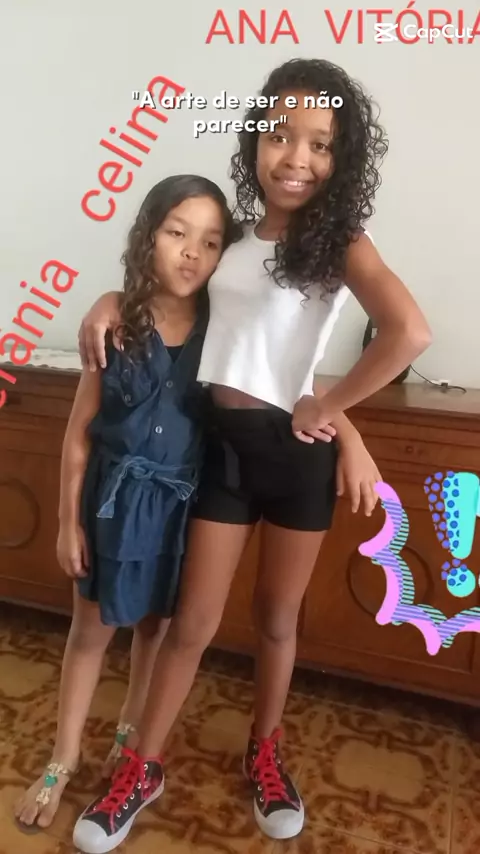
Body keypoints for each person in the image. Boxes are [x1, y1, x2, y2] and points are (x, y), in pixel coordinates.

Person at [72, 58, 432, 852]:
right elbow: (169, 286)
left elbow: (408, 332)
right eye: (280, 136)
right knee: (193, 622)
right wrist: (107, 299)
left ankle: (265, 752)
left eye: (320, 143)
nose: (296, 158)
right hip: (222, 451)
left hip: (295, 457)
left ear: (342, 156)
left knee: (275, 621)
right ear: (254, 141)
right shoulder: (232, 241)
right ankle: (143, 766)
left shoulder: (339, 243)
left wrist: (335, 415)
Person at [13, 174, 236, 834]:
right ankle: (62, 758)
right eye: (177, 233)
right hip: (111, 506)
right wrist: (66, 522)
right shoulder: (114, 324)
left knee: (154, 630)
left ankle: (129, 735)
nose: (192, 252)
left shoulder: (224, 329)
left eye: (211, 242)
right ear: (148, 237)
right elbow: (79, 433)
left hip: (179, 508)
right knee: (89, 634)